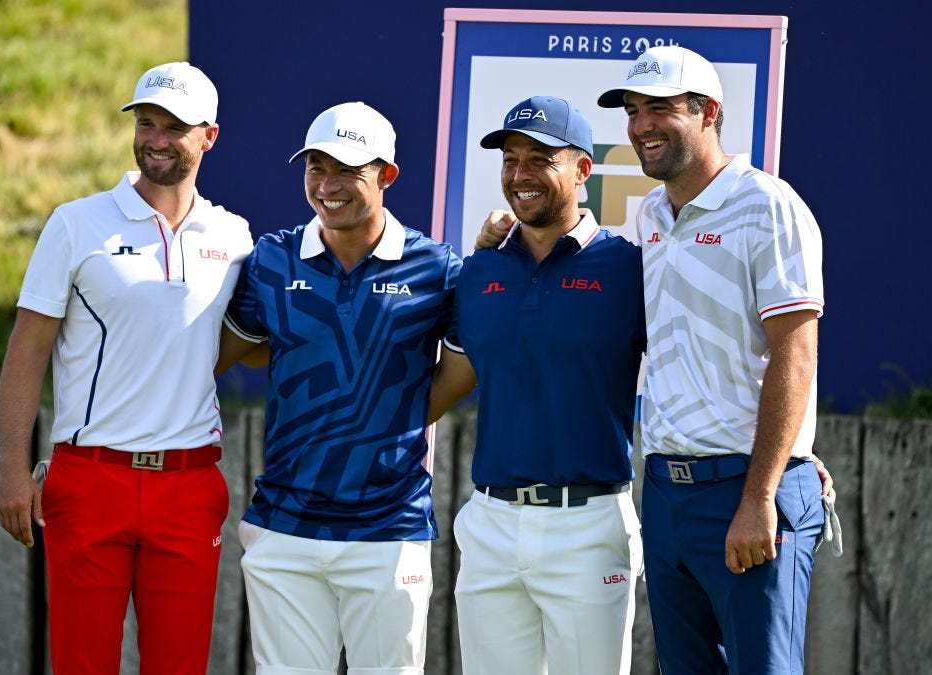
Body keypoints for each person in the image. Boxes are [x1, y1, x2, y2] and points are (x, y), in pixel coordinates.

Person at [478, 46, 829, 674]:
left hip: (745, 491)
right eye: (632, 111)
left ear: (710, 112)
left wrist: (771, 484)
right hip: (667, 492)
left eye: (660, 108)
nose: (641, 125)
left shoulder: (768, 205)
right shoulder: (652, 215)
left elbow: (796, 352)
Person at [0, 61, 253, 675]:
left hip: (189, 485)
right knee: (82, 664)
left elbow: (252, 339)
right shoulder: (75, 223)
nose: (156, 139)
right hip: (88, 482)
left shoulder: (235, 236)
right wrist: (11, 469)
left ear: (209, 136)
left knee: (179, 666)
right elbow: (27, 348)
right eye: (146, 123)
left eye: (174, 127)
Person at [215, 101, 461, 675]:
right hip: (283, 526)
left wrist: (396, 415)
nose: (328, 186)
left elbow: (465, 367)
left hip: (389, 529)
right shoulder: (271, 260)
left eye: (347, 170)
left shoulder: (436, 267)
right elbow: (227, 352)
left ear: (386, 175)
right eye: (315, 168)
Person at [428, 96, 645, 675]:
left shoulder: (631, 268)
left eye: (540, 159)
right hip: (491, 523)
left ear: (582, 170)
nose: (520, 174)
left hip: (589, 523)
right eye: (511, 159)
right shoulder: (478, 271)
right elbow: (448, 378)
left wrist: (795, 447)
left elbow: (699, 362)